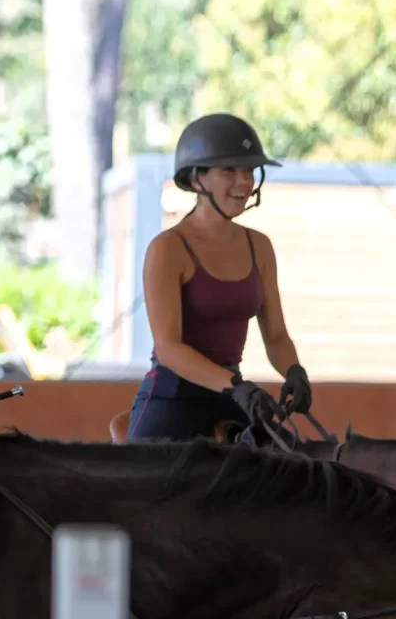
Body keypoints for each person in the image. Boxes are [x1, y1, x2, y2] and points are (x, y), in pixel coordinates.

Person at [125, 113, 312, 441]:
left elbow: (277, 336)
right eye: (229, 171)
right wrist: (237, 388)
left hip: (232, 397)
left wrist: (294, 371)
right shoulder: (168, 248)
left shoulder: (260, 246)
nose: (243, 182)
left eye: (249, 171)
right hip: (173, 398)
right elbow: (169, 348)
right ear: (197, 180)